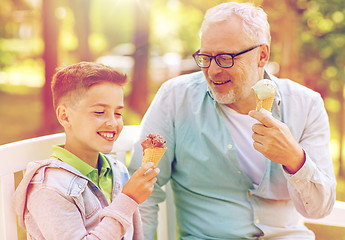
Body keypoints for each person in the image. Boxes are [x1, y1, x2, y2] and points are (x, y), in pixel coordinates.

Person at [128, 2, 337, 239]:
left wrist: (295, 159)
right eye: (206, 57)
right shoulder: (175, 98)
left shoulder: (306, 105)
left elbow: (320, 209)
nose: (213, 70)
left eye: (225, 58)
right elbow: (143, 191)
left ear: (262, 55)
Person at [12, 62, 160, 240]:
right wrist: (129, 198)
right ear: (65, 116)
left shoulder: (118, 170)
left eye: (118, 113)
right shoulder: (49, 188)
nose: (113, 123)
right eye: (99, 112)